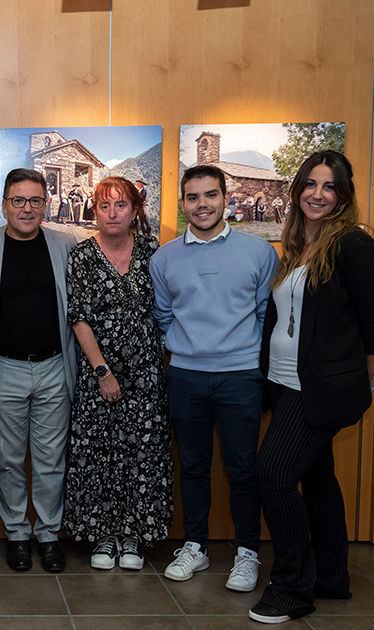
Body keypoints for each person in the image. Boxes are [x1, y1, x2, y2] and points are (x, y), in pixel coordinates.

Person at [249, 151, 374, 624]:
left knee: (271, 474)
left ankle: (293, 588)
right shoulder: (296, 245)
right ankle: (332, 577)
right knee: (316, 478)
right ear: (297, 191)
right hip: (286, 384)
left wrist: (365, 382)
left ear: (343, 195)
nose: (317, 194)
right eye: (310, 184)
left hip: (319, 390)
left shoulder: (353, 245)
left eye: (328, 186)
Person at [150, 165, 279, 593]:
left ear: (227, 198)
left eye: (210, 195)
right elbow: (164, 315)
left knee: (242, 469)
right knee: (192, 467)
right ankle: (195, 546)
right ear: (183, 204)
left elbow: (265, 316)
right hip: (185, 376)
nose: (202, 204)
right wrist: (190, 345)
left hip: (241, 376)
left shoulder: (259, 253)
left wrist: (238, 354)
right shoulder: (164, 257)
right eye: (193, 197)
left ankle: (246, 553)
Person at [63, 177, 173, 571]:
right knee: (100, 455)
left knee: (142, 454)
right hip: (99, 375)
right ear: (94, 210)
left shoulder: (153, 253)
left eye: (121, 205)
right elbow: (78, 318)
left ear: (135, 211)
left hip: (146, 374)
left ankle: (133, 537)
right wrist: (103, 371)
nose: (112, 213)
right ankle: (104, 536)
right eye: (104, 206)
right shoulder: (81, 256)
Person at [0, 168, 77, 574]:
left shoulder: (65, 245)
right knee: (9, 461)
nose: (27, 208)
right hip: (4, 368)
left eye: (35, 201)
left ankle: (48, 535)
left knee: (51, 461)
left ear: (46, 204)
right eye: (18, 200)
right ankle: (17, 534)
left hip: (54, 366)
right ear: (5, 204)